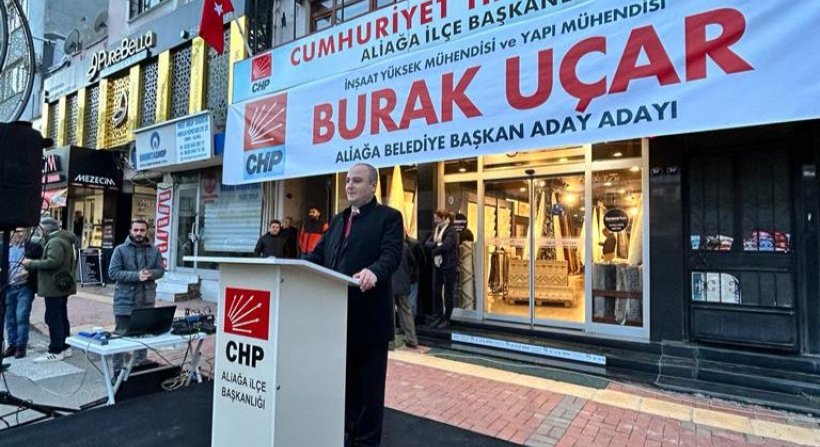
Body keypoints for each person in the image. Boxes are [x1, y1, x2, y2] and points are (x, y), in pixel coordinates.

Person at [306, 163, 403, 447]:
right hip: (338, 319)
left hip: (370, 320)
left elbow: (391, 255)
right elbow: (318, 256)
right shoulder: (338, 220)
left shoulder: (389, 218)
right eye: (348, 180)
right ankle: (347, 435)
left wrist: (374, 271)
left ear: (373, 185)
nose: (349, 185)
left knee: (370, 391)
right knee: (346, 387)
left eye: (357, 180)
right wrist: (287, 265)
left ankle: (367, 441)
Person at [108, 219, 166, 371]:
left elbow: (161, 271)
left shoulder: (154, 250)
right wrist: (136, 276)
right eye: (136, 230)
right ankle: (117, 371)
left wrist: (150, 273)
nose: (139, 233)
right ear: (130, 231)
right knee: (120, 339)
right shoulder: (120, 250)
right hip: (124, 301)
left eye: (142, 230)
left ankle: (139, 369)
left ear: (147, 232)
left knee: (142, 339)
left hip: (146, 302)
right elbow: (113, 273)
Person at [23, 217, 77, 363]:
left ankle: (56, 350)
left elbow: (53, 262)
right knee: (61, 316)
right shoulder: (62, 239)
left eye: (40, 228)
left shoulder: (55, 242)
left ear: (46, 228)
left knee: (54, 317)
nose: (39, 231)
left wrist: (31, 263)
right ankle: (65, 346)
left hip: (54, 286)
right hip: (61, 284)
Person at [3, 228, 41, 359]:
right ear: (10, 233)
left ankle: (21, 346)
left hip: (25, 286)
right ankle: (12, 344)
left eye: (22, 231)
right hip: (9, 286)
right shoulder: (3, 247)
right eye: (16, 231)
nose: (20, 234)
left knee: (22, 316)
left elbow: (39, 264)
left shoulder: (32, 247)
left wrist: (29, 271)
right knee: (10, 318)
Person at [425, 210, 458, 329]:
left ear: (443, 217)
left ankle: (447, 318)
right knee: (436, 291)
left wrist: (434, 250)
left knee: (448, 293)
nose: (435, 221)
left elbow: (447, 246)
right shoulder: (437, 230)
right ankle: (438, 315)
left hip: (449, 265)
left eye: (436, 218)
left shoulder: (451, 230)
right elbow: (427, 243)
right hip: (437, 265)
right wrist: (437, 245)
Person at [392, 235, 418, 348]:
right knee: (406, 311)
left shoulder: (387, 246)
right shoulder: (405, 247)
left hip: (390, 284)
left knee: (390, 313)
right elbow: (413, 262)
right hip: (403, 283)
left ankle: (390, 341)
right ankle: (411, 338)